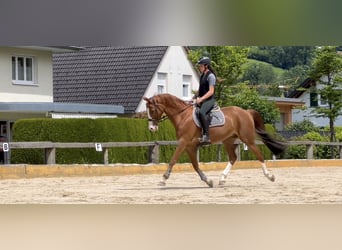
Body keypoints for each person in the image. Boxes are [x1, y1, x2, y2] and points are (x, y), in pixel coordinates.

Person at [193, 56, 216, 145]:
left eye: (201, 66)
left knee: (202, 112)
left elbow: (211, 91)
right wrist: (194, 97)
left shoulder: (211, 76)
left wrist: (201, 99)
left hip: (209, 100)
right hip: (202, 100)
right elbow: (201, 89)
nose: (199, 67)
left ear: (206, 66)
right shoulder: (202, 75)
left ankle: (207, 136)